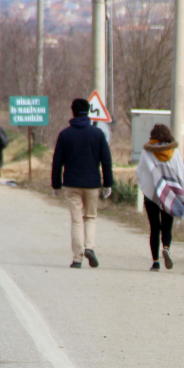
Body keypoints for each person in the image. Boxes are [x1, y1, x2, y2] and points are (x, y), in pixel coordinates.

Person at [51, 98, 113, 269]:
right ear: (88, 112)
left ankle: (77, 258)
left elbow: (57, 162)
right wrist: (108, 183)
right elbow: (106, 161)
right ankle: (89, 247)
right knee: (91, 217)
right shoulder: (98, 134)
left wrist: (56, 185)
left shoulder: (65, 134)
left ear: (73, 112)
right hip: (92, 183)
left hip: (71, 184)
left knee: (77, 220)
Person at [135, 123, 184, 271]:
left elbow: (140, 172)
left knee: (154, 228)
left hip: (152, 195)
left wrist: (147, 187)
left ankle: (156, 262)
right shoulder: (173, 152)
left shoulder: (147, 152)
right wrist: (183, 194)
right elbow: (181, 174)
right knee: (167, 226)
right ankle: (167, 248)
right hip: (170, 195)